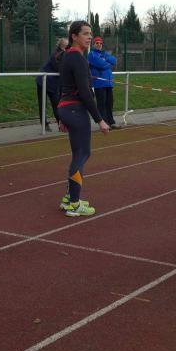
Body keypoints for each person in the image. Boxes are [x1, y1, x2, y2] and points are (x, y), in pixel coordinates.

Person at [57, 21, 111, 217]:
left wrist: (61, 115)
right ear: (74, 36)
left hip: (67, 109)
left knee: (78, 154)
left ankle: (69, 198)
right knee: (82, 154)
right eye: (85, 34)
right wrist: (99, 119)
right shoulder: (77, 59)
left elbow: (63, 87)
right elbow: (85, 93)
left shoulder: (68, 56)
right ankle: (74, 203)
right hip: (75, 110)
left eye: (90, 34)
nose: (89, 37)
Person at [35, 38, 67, 131]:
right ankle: (44, 124)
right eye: (66, 45)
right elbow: (59, 68)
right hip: (43, 81)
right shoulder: (57, 54)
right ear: (61, 46)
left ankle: (60, 124)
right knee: (43, 103)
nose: (68, 47)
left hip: (53, 83)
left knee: (56, 103)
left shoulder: (65, 54)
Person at [87, 36, 119, 128]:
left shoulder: (105, 53)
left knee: (109, 103)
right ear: (93, 44)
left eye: (100, 43)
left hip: (108, 82)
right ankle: (104, 122)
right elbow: (102, 65)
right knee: (102, 104)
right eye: (97, 43)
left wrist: (106, 60)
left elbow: (114, 60)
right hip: (99, 83)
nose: (99, 45)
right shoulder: (91, 54)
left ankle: (111, 121)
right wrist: (108, 62)